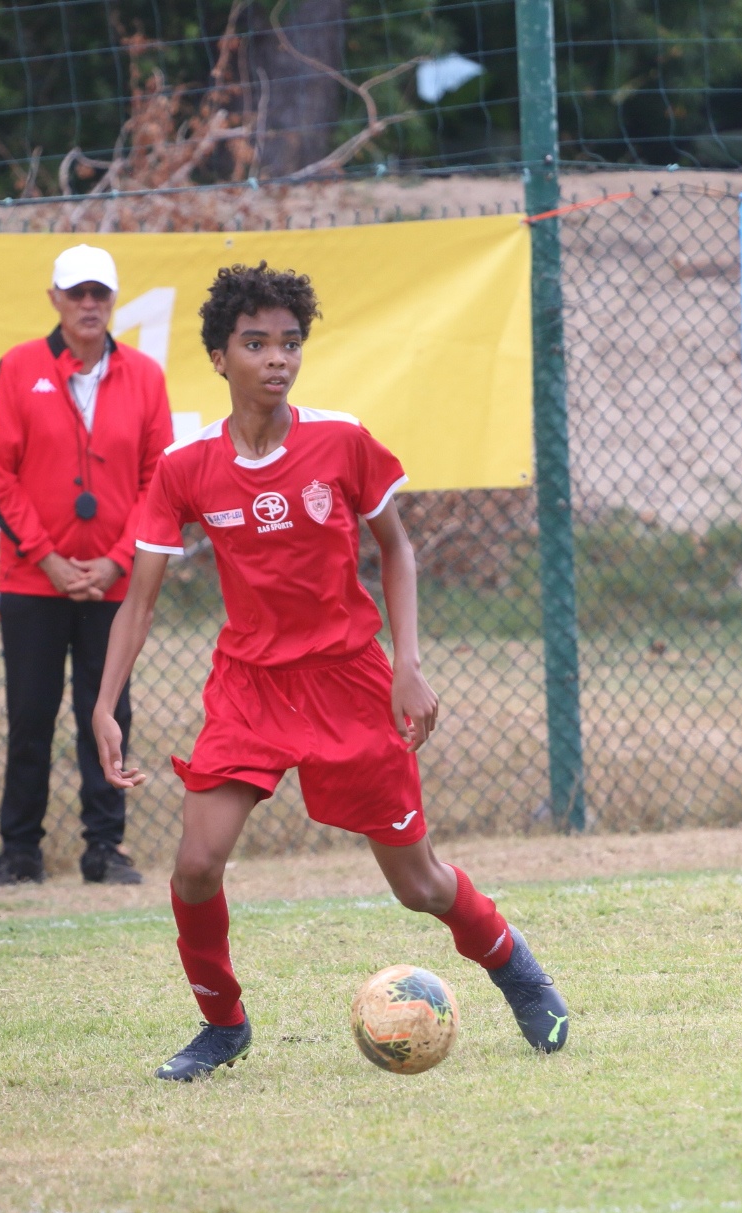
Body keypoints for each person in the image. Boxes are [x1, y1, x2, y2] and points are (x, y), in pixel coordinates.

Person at [92, 263, 572, 1081]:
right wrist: (105, 706)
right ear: (219, 358)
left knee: (418, 885)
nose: (277, 359)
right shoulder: (185, 466)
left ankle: (516, 970)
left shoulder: (340, 440)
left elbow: (397, 549)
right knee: (196, 865)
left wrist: (406, 666)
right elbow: (137, 600)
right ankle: (222, 1024)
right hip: (249, 685)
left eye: (290, 342)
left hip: (349, 680)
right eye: (256, 344)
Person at [0, 245, 175, 888]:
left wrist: (119, 561)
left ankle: (105, 849)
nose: (89, 305)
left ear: (113, 301)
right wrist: (49, 559)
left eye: (100, 294)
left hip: (112, 584)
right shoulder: (19, 368)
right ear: (54, 299)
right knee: (30, 715)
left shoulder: (144, 375)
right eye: (77, 293)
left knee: (108, 711)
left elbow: (159, 480)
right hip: (34, 579)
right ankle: (19, 852)